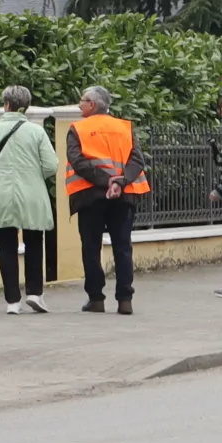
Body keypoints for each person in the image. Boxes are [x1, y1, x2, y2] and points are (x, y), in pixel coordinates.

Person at [0, 87, 58, 316]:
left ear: (6, 105)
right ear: (27, 106)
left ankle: (12, 301)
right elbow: (51, 165)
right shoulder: (36, 132)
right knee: (34, 242)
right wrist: (33, 175)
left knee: (6, 246)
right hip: (32, 194)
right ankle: (34, 293)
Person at [66, 85, 146, 314]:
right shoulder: (125, 128)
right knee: (122, 247)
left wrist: (105, 181)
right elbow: (137, 161)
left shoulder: (77, 129)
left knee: (91, 247)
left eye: (82, 101)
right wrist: (119, 182)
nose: (79, 105)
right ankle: (125, 300)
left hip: (91, 197)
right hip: (123, 196)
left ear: (92, 105)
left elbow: (77, 161)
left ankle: (96, 299)